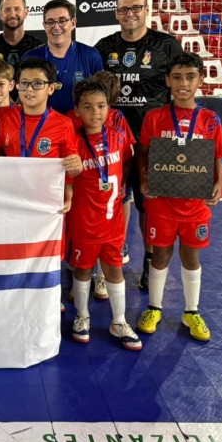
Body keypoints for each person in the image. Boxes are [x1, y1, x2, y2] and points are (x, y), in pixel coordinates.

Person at [95, 0, 185, 290]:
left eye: (136, 8)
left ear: (146, 10)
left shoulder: (166, 45)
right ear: (116, 13)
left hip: (153, 142)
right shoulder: (105, 47)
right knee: (113, 199)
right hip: (113, 142)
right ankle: (113, 255)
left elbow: (183, 84)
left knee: (150, 205)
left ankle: (149, 261)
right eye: (124, 9)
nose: (130, 14)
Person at [136, 52, 222, 342]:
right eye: (177, 77)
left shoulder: (211, 120)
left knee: (191, 255)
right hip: (161, 202)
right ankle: (154, 307)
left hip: (195, 204)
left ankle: (191, 311)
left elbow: (216, 156)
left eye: (190, 77)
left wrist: (219, 184)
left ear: (201, 80)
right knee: (160, 254)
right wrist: (145, 179)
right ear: (167, 81)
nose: (183, 83)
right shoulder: (154, 117)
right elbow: (143, 154)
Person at [67, 79, 141, 350]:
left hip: (112, 221)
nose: (95, 112)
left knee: (114, 269)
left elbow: (128, 163)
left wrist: (125, 187)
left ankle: (119, 321)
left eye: (101, 106)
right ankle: (82, 316)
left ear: (109, 108)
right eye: (87, 106)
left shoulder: (118, 136)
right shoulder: (73, 142)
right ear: (76, 110)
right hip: (84, 221)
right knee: (83, 270)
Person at [0, 58, 81, 211]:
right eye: (24, 83)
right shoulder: (8, 117)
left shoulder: (63, 124)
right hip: (12, 199)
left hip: (46, 201)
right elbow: (0, 157)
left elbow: (71, 169)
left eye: (38, 83)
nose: (29, 89)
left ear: (51, 88)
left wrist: (69, 190)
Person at [22, 0, 103, 114]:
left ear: (73, 23)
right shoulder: (30, 57)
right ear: (44, 25)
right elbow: (23, 96)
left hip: (79, 124)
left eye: (62, 21)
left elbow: (100, 99)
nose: (56, 27)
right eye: (50, 22)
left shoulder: (91, 55)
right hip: (43, 124)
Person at [0, 0, 43, 68]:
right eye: (7, 10)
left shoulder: (38, 47)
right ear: (0, 14)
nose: (12, 14)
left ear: (25, 13)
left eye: (17, 9)